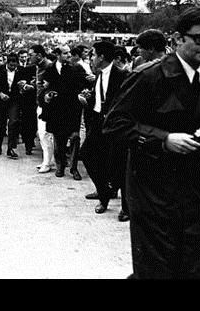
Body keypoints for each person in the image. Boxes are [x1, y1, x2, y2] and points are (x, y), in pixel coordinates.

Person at [104, 7, 200, 279]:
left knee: (199, 268)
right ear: (177, 39)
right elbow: (115, 124)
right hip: (154, 193)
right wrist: (164, 139)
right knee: (157, 270)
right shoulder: (148, 77)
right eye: (199, 39)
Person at [80, 41, 128, 217]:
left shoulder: (122, 75)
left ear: (101, 57)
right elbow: (99, 100)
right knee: (86, 154)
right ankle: (104, 192)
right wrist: (88, 100)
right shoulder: (99, 75)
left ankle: (126, 207)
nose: (91, 58)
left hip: (115, 127)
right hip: (98, 123)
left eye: (93, 55)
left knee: (119, 165)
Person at [39, 46, 86, 179]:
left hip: (73, 108)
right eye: (65, 53)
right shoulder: (49, 69)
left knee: (75, 138)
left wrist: (83, 93)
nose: (69, 55)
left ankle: (74, 168)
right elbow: (43, 88)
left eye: (69, 53)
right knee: (59, 139)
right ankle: (60, 166)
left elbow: (84, 84)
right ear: (58, 55)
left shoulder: (76, 68)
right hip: (56, 109)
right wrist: (46, 96)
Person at [0, 53, 24, 159]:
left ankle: (11, 148)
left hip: (14, 100)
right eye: (11, 65)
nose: (13, 67)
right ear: (7, 63)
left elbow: (24, 83)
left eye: (15, 65)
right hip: (0, 100)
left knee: (13, 122)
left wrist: (23, 85)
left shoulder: (21, 70)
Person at [30, 45, 56, 173]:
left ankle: (48, 162)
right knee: (43, 134)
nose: (30, 57)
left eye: (32, 54)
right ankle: (49, 161)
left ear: (39, 55)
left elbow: (53, 85)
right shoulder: (39, 66)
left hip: (47, 105)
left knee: (44, 133)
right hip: (40, 103)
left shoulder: (49, 66)